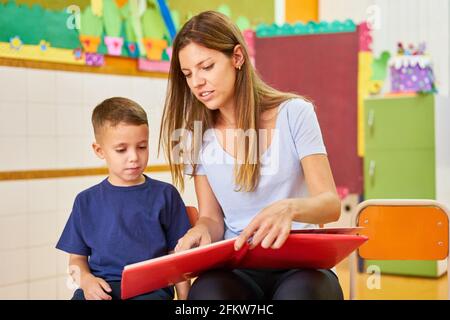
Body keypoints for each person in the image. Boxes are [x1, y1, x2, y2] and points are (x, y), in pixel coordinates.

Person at [159, 11, 344, 300]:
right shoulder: (195, 136)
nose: (196, 82)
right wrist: (202, 230)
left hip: (302, 266)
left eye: (206, 66)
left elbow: (330, 204)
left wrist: (290, 208)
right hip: (237, 266)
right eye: (188, 74)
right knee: (206, 296)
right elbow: (211, 217)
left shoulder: (295, 113)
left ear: (237, 58)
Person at [56, 97, 191, 300]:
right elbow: (76, 260)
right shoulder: (85, 201)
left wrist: (185, 301)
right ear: (99, 151)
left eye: (142, 147)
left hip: (150, 290)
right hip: (101, 289)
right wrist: (86, 281)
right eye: (121, 150)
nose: (134, 157)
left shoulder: (165, 195)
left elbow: (178, 257)